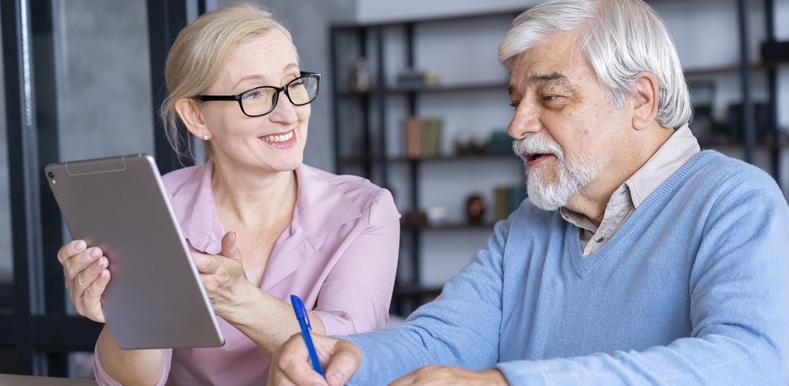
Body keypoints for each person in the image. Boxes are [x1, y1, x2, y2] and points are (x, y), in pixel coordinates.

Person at [268, 0, 789, 384]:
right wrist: (349, 359)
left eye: (551, 97)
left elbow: (750, 364)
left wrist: (504, 383)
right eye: (516, 100)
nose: (518, 126)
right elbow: (441, 339)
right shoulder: (530, 225)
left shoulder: (735, 202)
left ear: (640, 100)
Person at [56, 2, 400, 385]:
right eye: (254, 94)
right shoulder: (155, 210)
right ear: (197, 117)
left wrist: (238, 299)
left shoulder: (365, 211)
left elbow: (351, 360)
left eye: (293, 84)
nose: (288, 113)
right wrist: (129, 312)